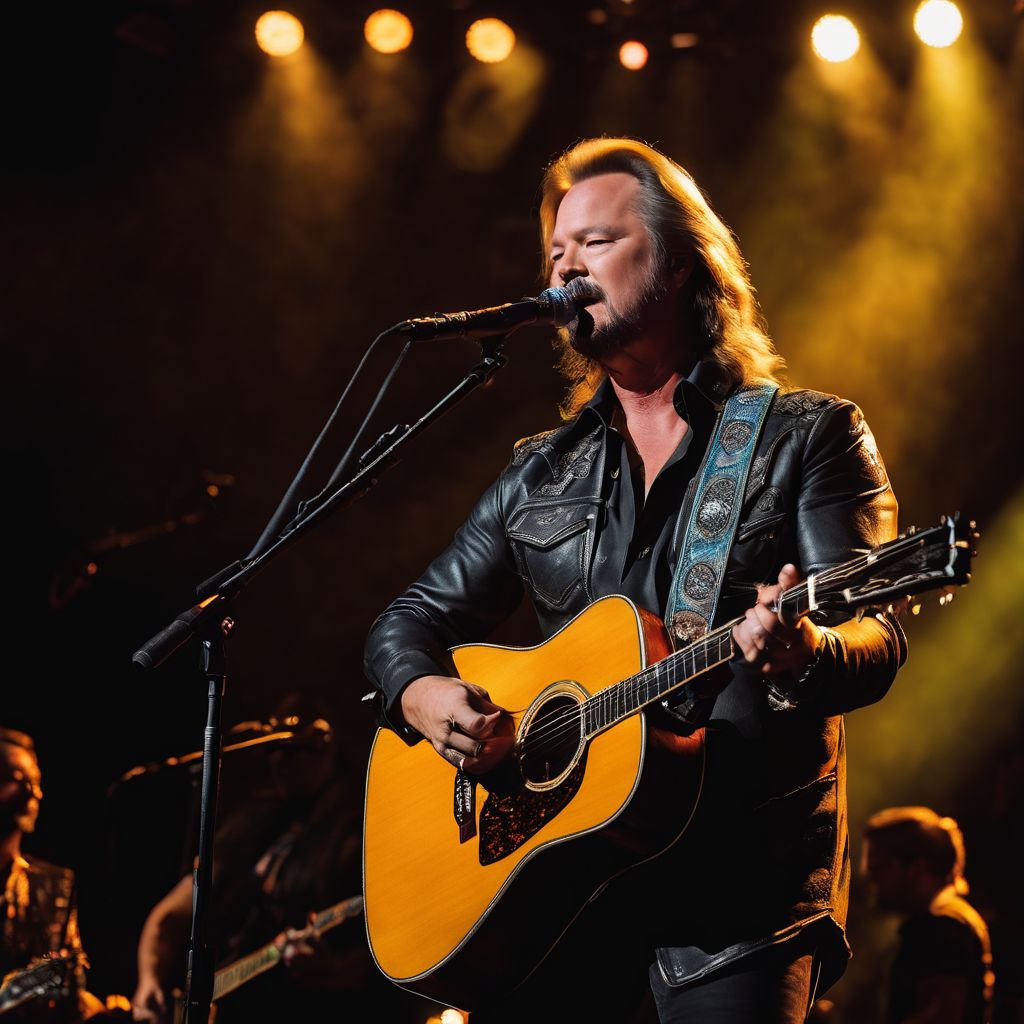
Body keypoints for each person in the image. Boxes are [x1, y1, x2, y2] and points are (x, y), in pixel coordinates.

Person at [364, 137, 908, 1022]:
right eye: (555, 251)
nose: (566, 263)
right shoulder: (539, 473)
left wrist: (802, 652)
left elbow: (875, 639)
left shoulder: (805, 438)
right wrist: (425, 696)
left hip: (736, 910)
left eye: (598, 242)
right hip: (562, 910)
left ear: (686, 262)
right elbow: (411, 617)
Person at [131, 697, 418, 1023]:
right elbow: (169, 917)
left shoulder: (362, 826)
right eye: (273, 752)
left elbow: (399, 936)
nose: (279, 762)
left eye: (292, 751)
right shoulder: (250, 820)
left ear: (327, 751)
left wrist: (344, 970)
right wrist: (149, 982)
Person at [0, 727, 105, 1022]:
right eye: (18, 779)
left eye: (36, 782)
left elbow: (67, 978)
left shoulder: (54, 884)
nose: (34, 793)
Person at [862, 806, 993, 1024]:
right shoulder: (949, 921)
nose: (870, 878)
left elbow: (942, 1017)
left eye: (879, 867)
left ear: (916, 866)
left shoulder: (943, 927)